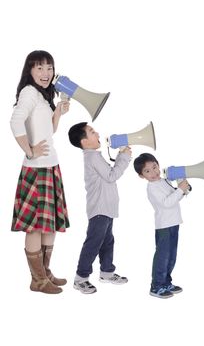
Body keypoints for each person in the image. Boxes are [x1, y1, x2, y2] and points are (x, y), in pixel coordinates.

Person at [10, 50, 70, 294]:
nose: (46, 73)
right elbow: (15, 121)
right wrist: (30, 150)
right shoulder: (28, 92)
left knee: (49, 225)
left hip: (50, 166)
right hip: (36, 169)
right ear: (30, 70)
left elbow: (48, 132)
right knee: (36, 226)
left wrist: (57, 114)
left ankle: (45, 273)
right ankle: (37, 280)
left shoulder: (42, 96)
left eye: (49, 68)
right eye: (40, 68)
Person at [68, 122, 131, 294]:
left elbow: (108, 174)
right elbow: (112, 176)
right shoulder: (92, 157)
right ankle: (81, 278)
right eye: (92, 132)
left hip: (106, 208)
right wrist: (124, 157)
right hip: (100, 209)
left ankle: (107, 272)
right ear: (84, 141)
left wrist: (121, 155)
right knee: (93, 243)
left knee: (107, 241)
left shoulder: (94, 156)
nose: (97, 133)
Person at [133, 153, 190, 299]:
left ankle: (166, 282)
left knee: (171, 256)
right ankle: (156, 286)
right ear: (141, 176)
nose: (153, 172)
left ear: (158, 165)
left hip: (174, 223)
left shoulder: (163, 181)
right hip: (164, 226)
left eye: (154, 167)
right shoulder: (152, 188)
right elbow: (167, 203)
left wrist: (182, 186)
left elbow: (175, 198)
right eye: (147, 171)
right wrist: (180, 190)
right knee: (163, 256)